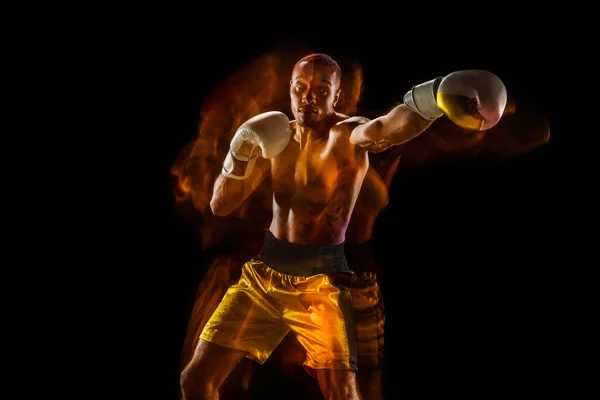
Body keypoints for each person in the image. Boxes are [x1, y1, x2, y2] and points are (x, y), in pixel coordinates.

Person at [180, 53, 508, 400]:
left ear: (336, 96)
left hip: (322, 284)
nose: (309, 96)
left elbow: (390, 127)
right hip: (263, 277)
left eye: (322, 89)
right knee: (195, 381)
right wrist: (241, 150)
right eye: (301, 87)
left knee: (343, 394)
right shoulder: (274, 139)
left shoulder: (349, 135)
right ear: (290, 90)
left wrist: (437, 94)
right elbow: (221, 204)